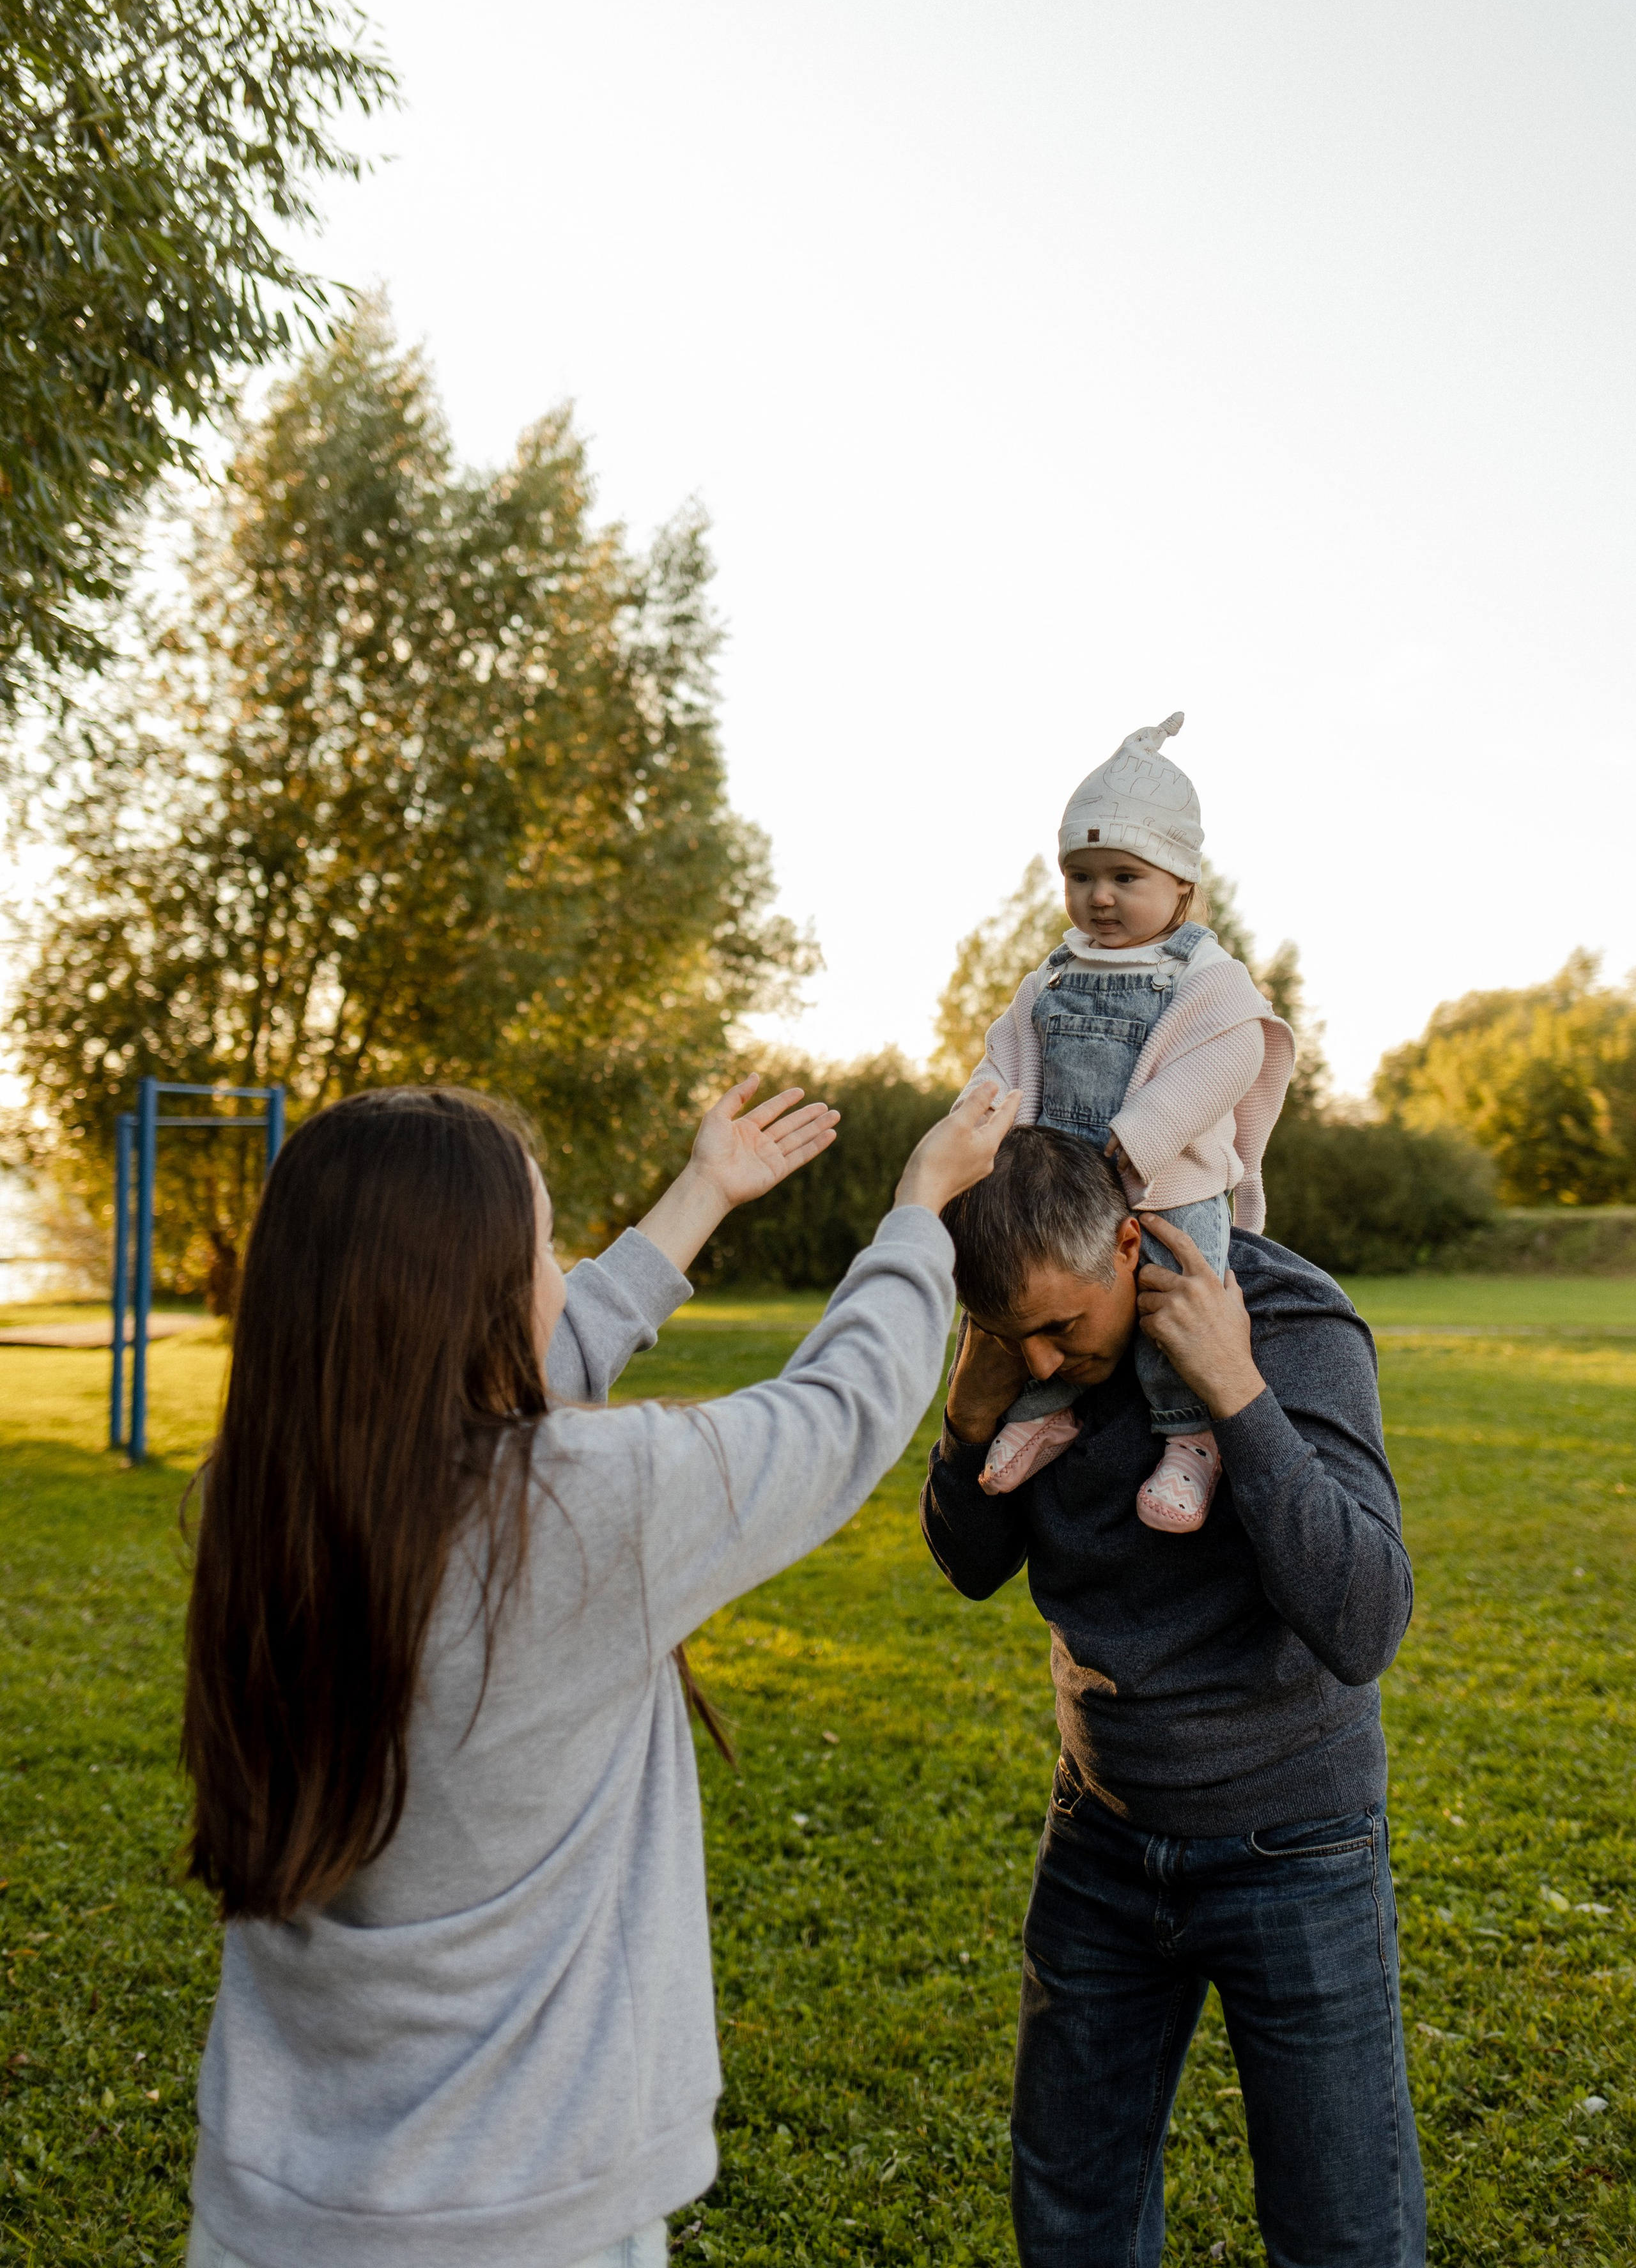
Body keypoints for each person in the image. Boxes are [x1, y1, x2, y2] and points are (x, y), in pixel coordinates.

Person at [181, 1070, 1021, 2268]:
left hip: (274, 2212)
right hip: (525, 2219)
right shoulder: (585, 1512)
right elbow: (839, 1414)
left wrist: (702, 1194)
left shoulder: (263, 1505)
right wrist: (920, 1210)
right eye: (544, 1244)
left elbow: (510, 1371)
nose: (561, 1275)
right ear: (467, 1293)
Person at [921, 1127, 1423, 2268]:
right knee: (1072, 2217)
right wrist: (966, 1415)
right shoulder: (1021, 1340)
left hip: (1295, 1844)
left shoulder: (1290, 1319)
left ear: (1133, 1243)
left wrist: (1235, 1390)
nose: (1040, 1362)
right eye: (1012, 1334)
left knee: (1342, 2230)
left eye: (1062, 1327)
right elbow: (969, 1561)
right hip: (1100, 1834)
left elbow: (1365, 1623)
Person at [959, 710, 1292, 1530]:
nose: (1099, 897)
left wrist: (1145, 1130)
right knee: (1042, 1295)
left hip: (1163, 1180)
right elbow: (1006, 1054)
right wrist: (978, 1118)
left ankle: (1191, 1439)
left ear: (1180, 884)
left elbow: (1231, 1055)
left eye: (1124, 877)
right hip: (1063, 1191)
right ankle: (1045, 1409)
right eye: (1081, 875)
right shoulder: (1050, 977)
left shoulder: (1204, 975)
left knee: (1175, 1299)